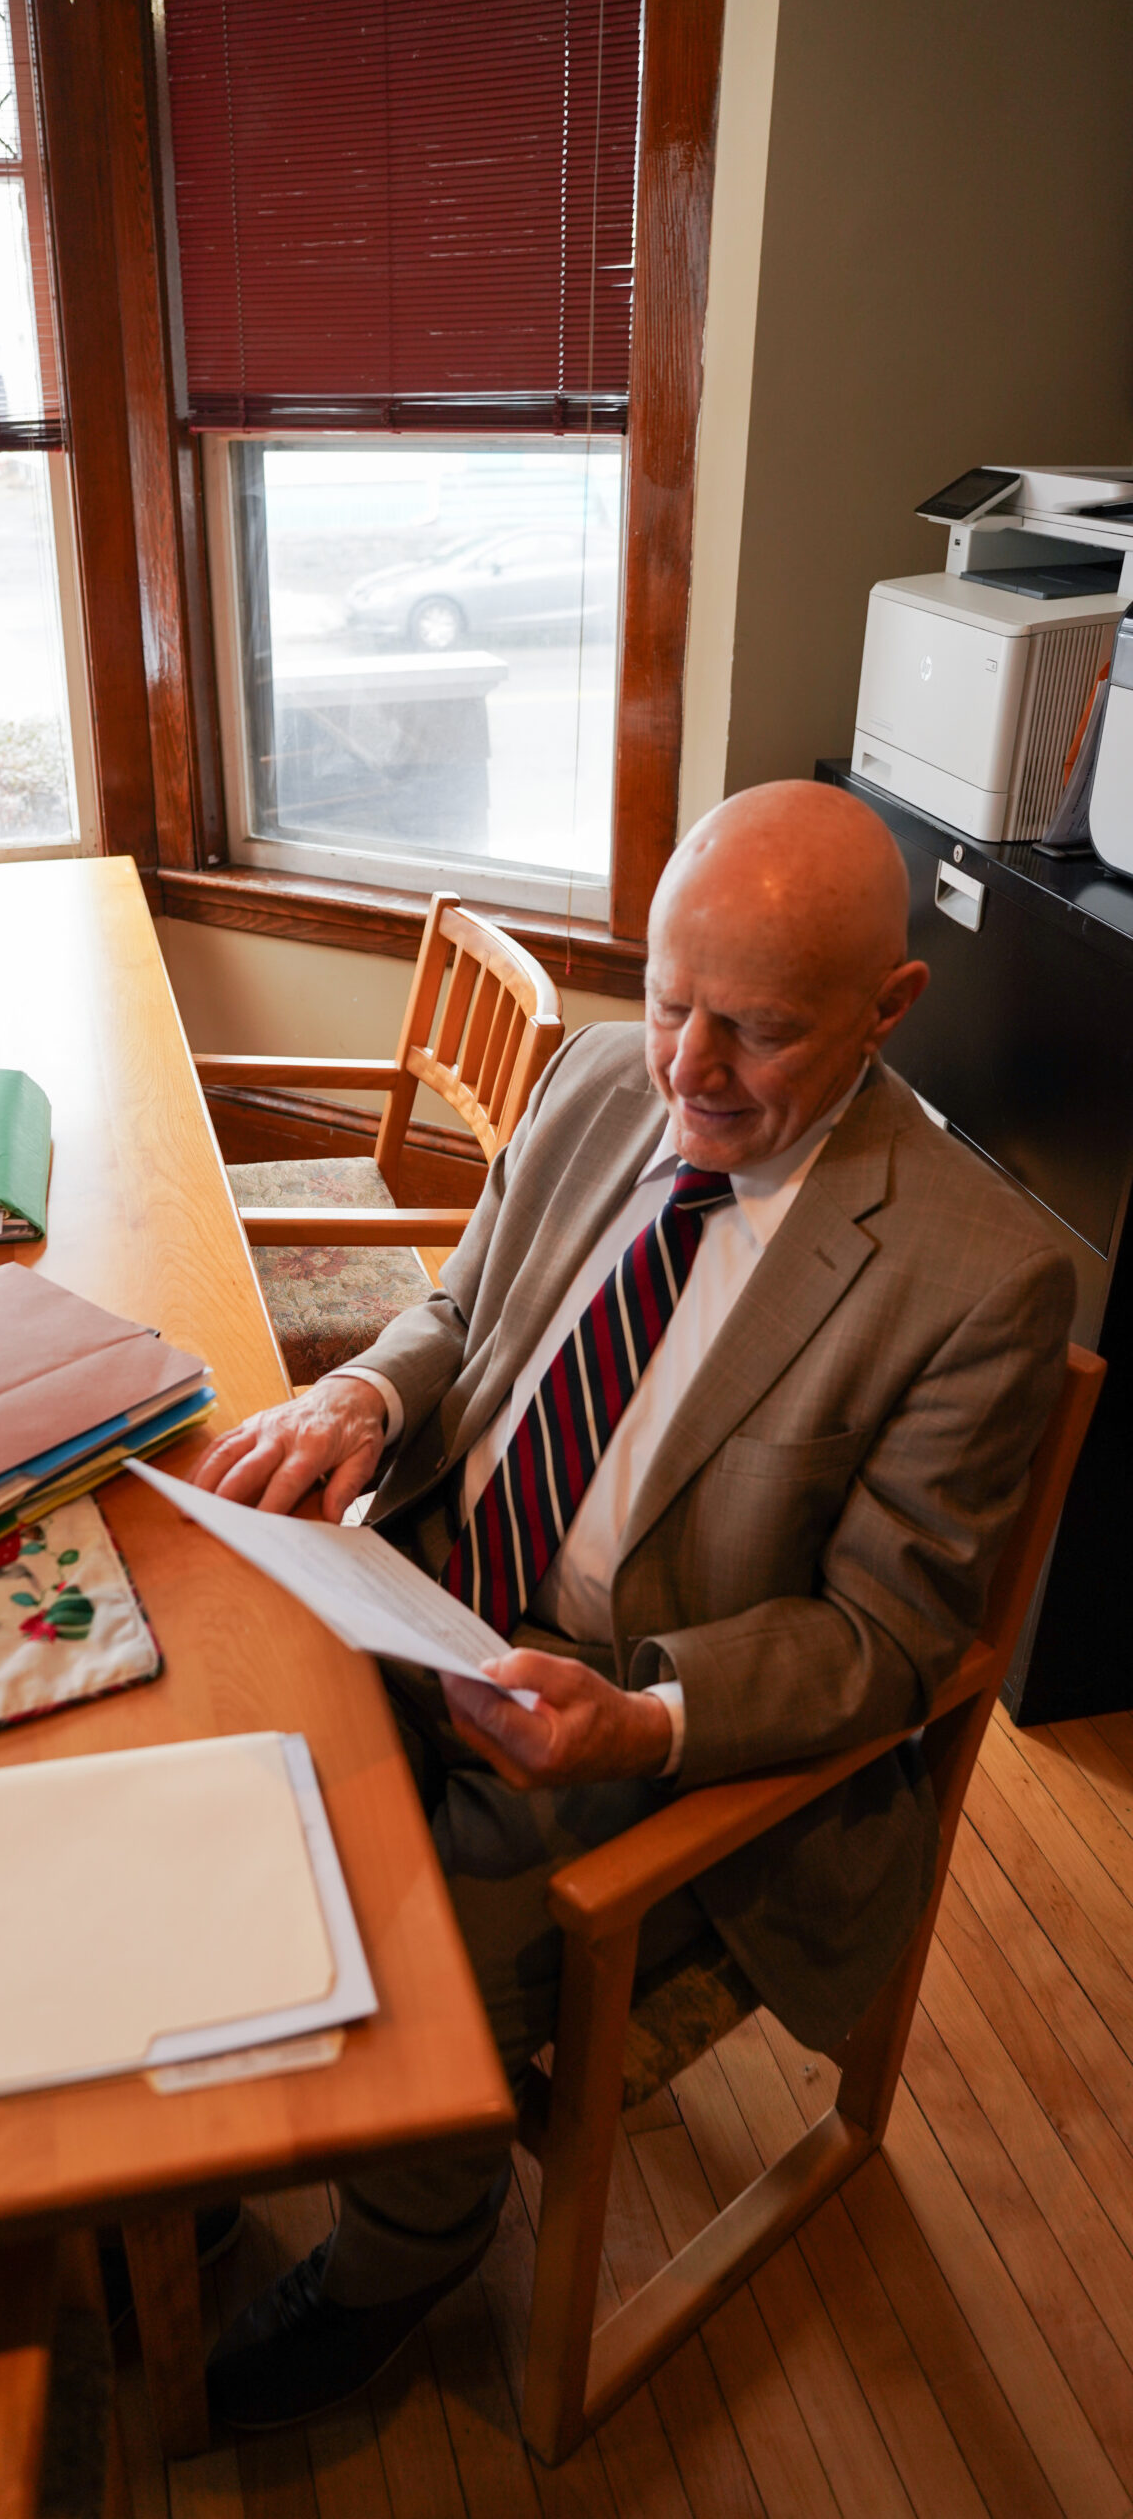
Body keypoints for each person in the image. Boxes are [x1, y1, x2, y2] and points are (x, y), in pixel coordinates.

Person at [192, 779, 1075, 2429]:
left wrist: (646, 1715)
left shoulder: (981, 1279)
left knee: (410, 1931)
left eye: (756, 1032)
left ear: (892, 1010)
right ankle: (206, 2146)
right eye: (673, 1002)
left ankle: (407, 2250)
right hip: (432, 1587)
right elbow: (460, 1308)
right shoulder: (600, 1079)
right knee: (205, 1758)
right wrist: (367, 1402)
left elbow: (885, 1643)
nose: (688, 1070)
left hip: (642, 1724)